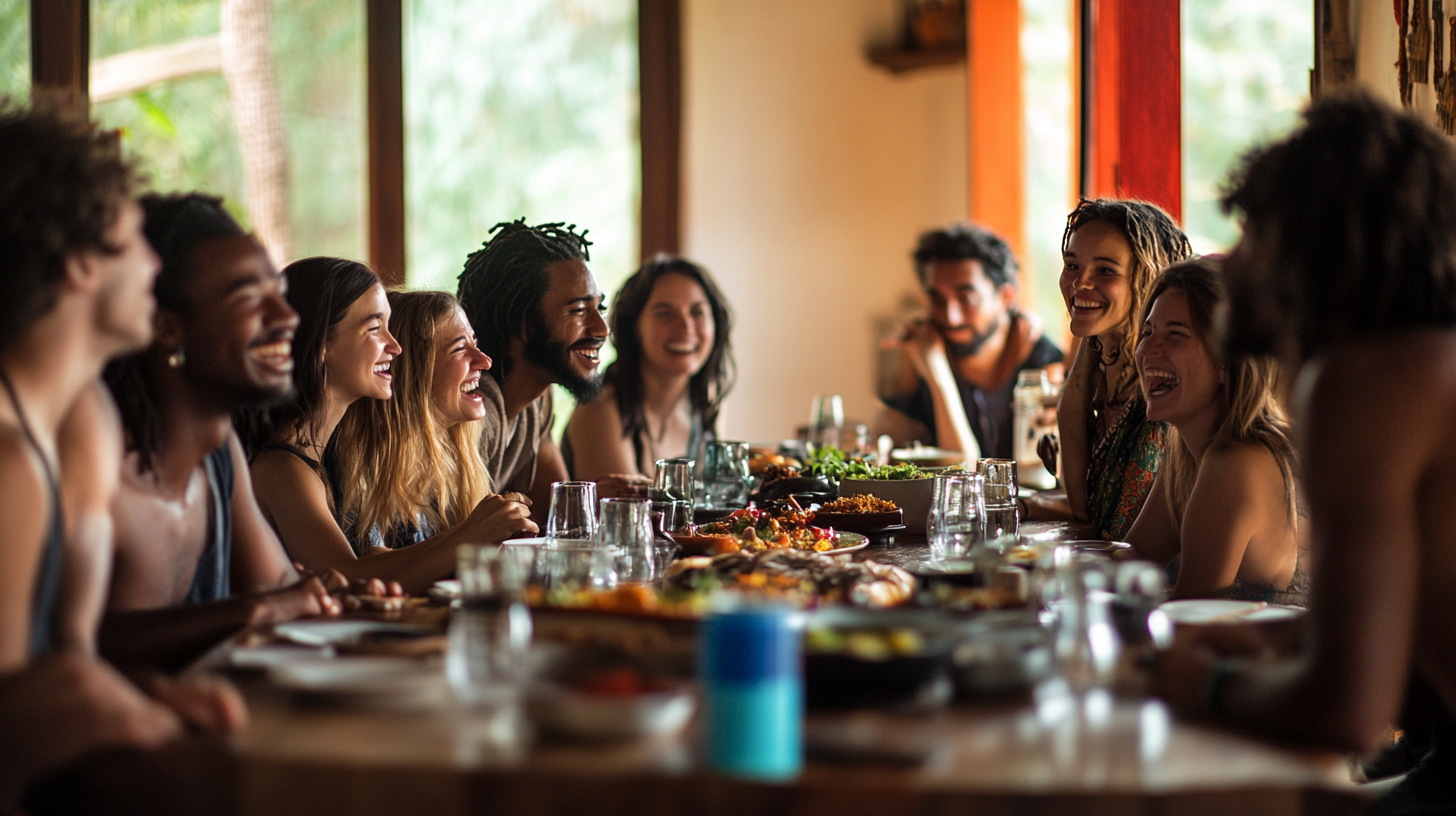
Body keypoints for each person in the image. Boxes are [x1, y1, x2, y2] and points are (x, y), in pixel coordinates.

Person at [1155, 93, 1456, 814]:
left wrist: (1206, 684)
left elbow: (1348, 708)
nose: (1232, 261)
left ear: (1314, 245)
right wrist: (1273, 641)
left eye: (1255, 231)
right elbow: (1410, 650)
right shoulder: (1424, 363)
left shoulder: (1363, 382)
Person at [0, 100, 194, 807]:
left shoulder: (87, 418)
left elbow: (64, 668)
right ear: (82, 264)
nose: (154, 263)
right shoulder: (8, 465)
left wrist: (141, 699)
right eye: (139, 237)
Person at [101, 194, 341, 671]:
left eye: (279, 291)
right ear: (167, 327)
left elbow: (273, 586)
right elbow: (74, 651)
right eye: (250, 298)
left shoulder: (218, 455)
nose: (288, 316)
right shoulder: (98, 464)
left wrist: (331, 596)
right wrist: (256, 610)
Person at [1123, 258, 1305, 604]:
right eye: (1147, 332)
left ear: (1226, 360)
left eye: (1175, 335)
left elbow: (1189, 616)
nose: (1148, 349)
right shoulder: (1185, 450)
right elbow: (1131, 562)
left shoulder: (1237, 462)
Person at [327, 291, 536, 589]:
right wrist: (471, 534)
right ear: (414, 372)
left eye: (475, 344)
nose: (485, 361)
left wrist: (499, 535)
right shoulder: (358, 463)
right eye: (460, 349)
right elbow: (375, 582)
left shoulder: (452, 458)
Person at [1030, 199, 1191, 539]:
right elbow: (1082, 507)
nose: (1079, 283)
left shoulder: (1162, 385)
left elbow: (1113, 524)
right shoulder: (1105, 367)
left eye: (1105, 270)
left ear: (1149, 278)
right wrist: (1090, 343)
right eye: (1071, 265)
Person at [456, 219, 639, 508]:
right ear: (523, 323)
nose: (602, 329)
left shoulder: (537, 400)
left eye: (599, 308)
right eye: (578, 310)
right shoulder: (475, 412)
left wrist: (605, 499)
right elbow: (466, 547)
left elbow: (555, 512)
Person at [877, 223, 1063, 461]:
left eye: (967, 298)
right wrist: (935, 372)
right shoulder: (922, 351)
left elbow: (966, 469)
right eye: (937, 298)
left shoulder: (1044, 367)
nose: (950, 316)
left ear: (1005, 297)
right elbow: (895, 457)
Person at [563, 255, 735, 481]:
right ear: (633, 327)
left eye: (697, 312)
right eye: (664, 313)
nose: (685, 327)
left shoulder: (707, 400)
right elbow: (626, 510)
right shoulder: (601, 406)